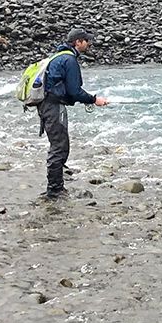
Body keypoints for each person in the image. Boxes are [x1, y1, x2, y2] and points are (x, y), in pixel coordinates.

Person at [37, 26, 109, 201]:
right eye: (87, 40)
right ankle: (54, 190)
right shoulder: (69, 60)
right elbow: (75, 91)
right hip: (54, 106)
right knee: (59, 146)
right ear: (78, 42)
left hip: (47, 105)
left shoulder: (59, 56)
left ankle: (56, 186)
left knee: (59, 144)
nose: (89, 43)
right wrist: (94, 100)